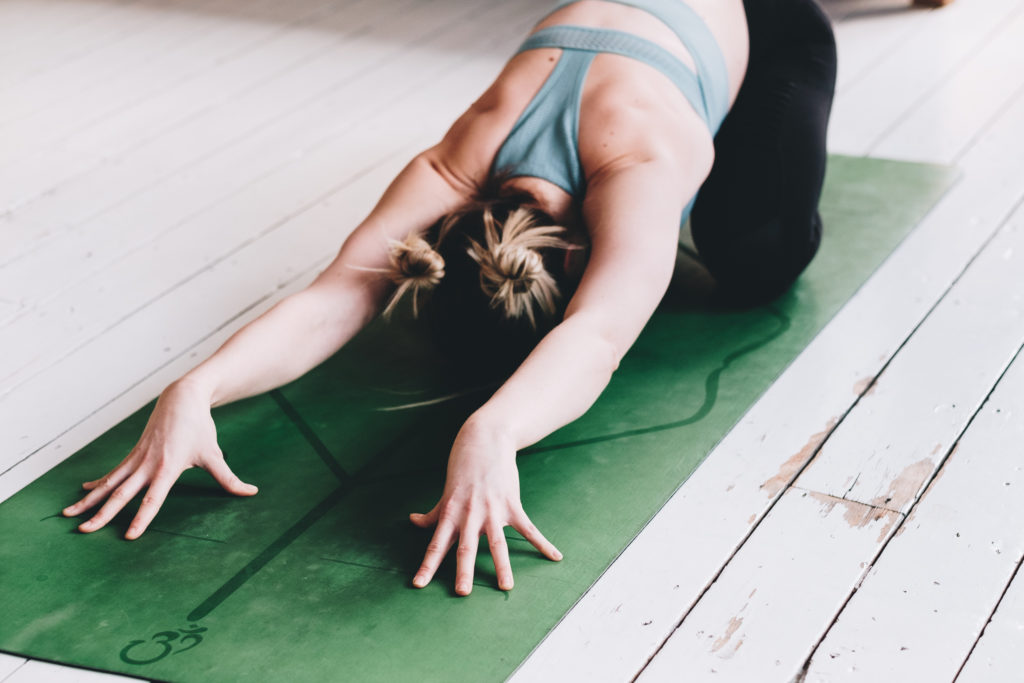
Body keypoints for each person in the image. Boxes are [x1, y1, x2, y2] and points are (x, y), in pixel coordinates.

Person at [62, 0, 837, 596]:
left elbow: (597, 334)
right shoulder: (465, 155)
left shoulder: (643, 160)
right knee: (660, 254)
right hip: (644, 45)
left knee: (756, 263)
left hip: (766, 24)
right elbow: (342, 292)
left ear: (576, 256)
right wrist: (197, 386)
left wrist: (493, 429)